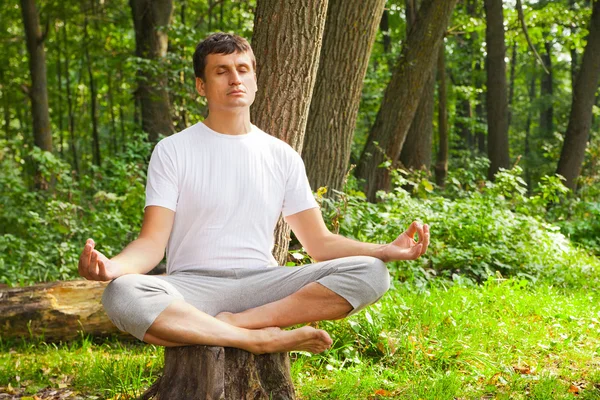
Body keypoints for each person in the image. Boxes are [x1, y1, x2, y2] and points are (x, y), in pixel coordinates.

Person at [78, 33, 430, 355]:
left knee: (372, 273)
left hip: (263, 285)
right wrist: (112, 268)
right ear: (201, 85)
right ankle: (256, 339)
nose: (235, 79)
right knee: (122, 294)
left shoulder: (281, 155)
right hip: (191, 287)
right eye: (221, 71)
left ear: (255, 80)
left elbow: (320, 244)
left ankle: (236, 326)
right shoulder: (173, 150)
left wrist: (384, 250)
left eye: (243, 69)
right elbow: (152, 244)